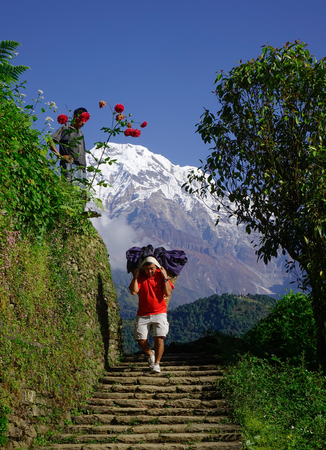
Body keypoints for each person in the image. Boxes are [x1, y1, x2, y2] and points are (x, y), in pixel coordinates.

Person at [129, 256, 174, 373]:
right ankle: (150, 353)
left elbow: (168, 292)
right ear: (143, 267)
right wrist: (136, 277)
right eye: (147, 269)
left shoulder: (161, 275)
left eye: (152, 269)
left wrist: (165, 277)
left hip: (160, 312)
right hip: (143, 314)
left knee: (159, 338)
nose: (150, 271)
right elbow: (133, 291)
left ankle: (157, 363)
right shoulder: (140, 277)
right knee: (141, 339)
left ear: (156, 267)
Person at [49, 107, 89, 183]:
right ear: (75, 116)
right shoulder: (65, 129)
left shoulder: (81, 133)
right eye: (82, 119)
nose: (83, 123)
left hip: (82, 169)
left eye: (85, 120)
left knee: (81, 194)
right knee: (70, 191)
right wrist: (60, 156)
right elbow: (50, 140)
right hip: (70, 166)